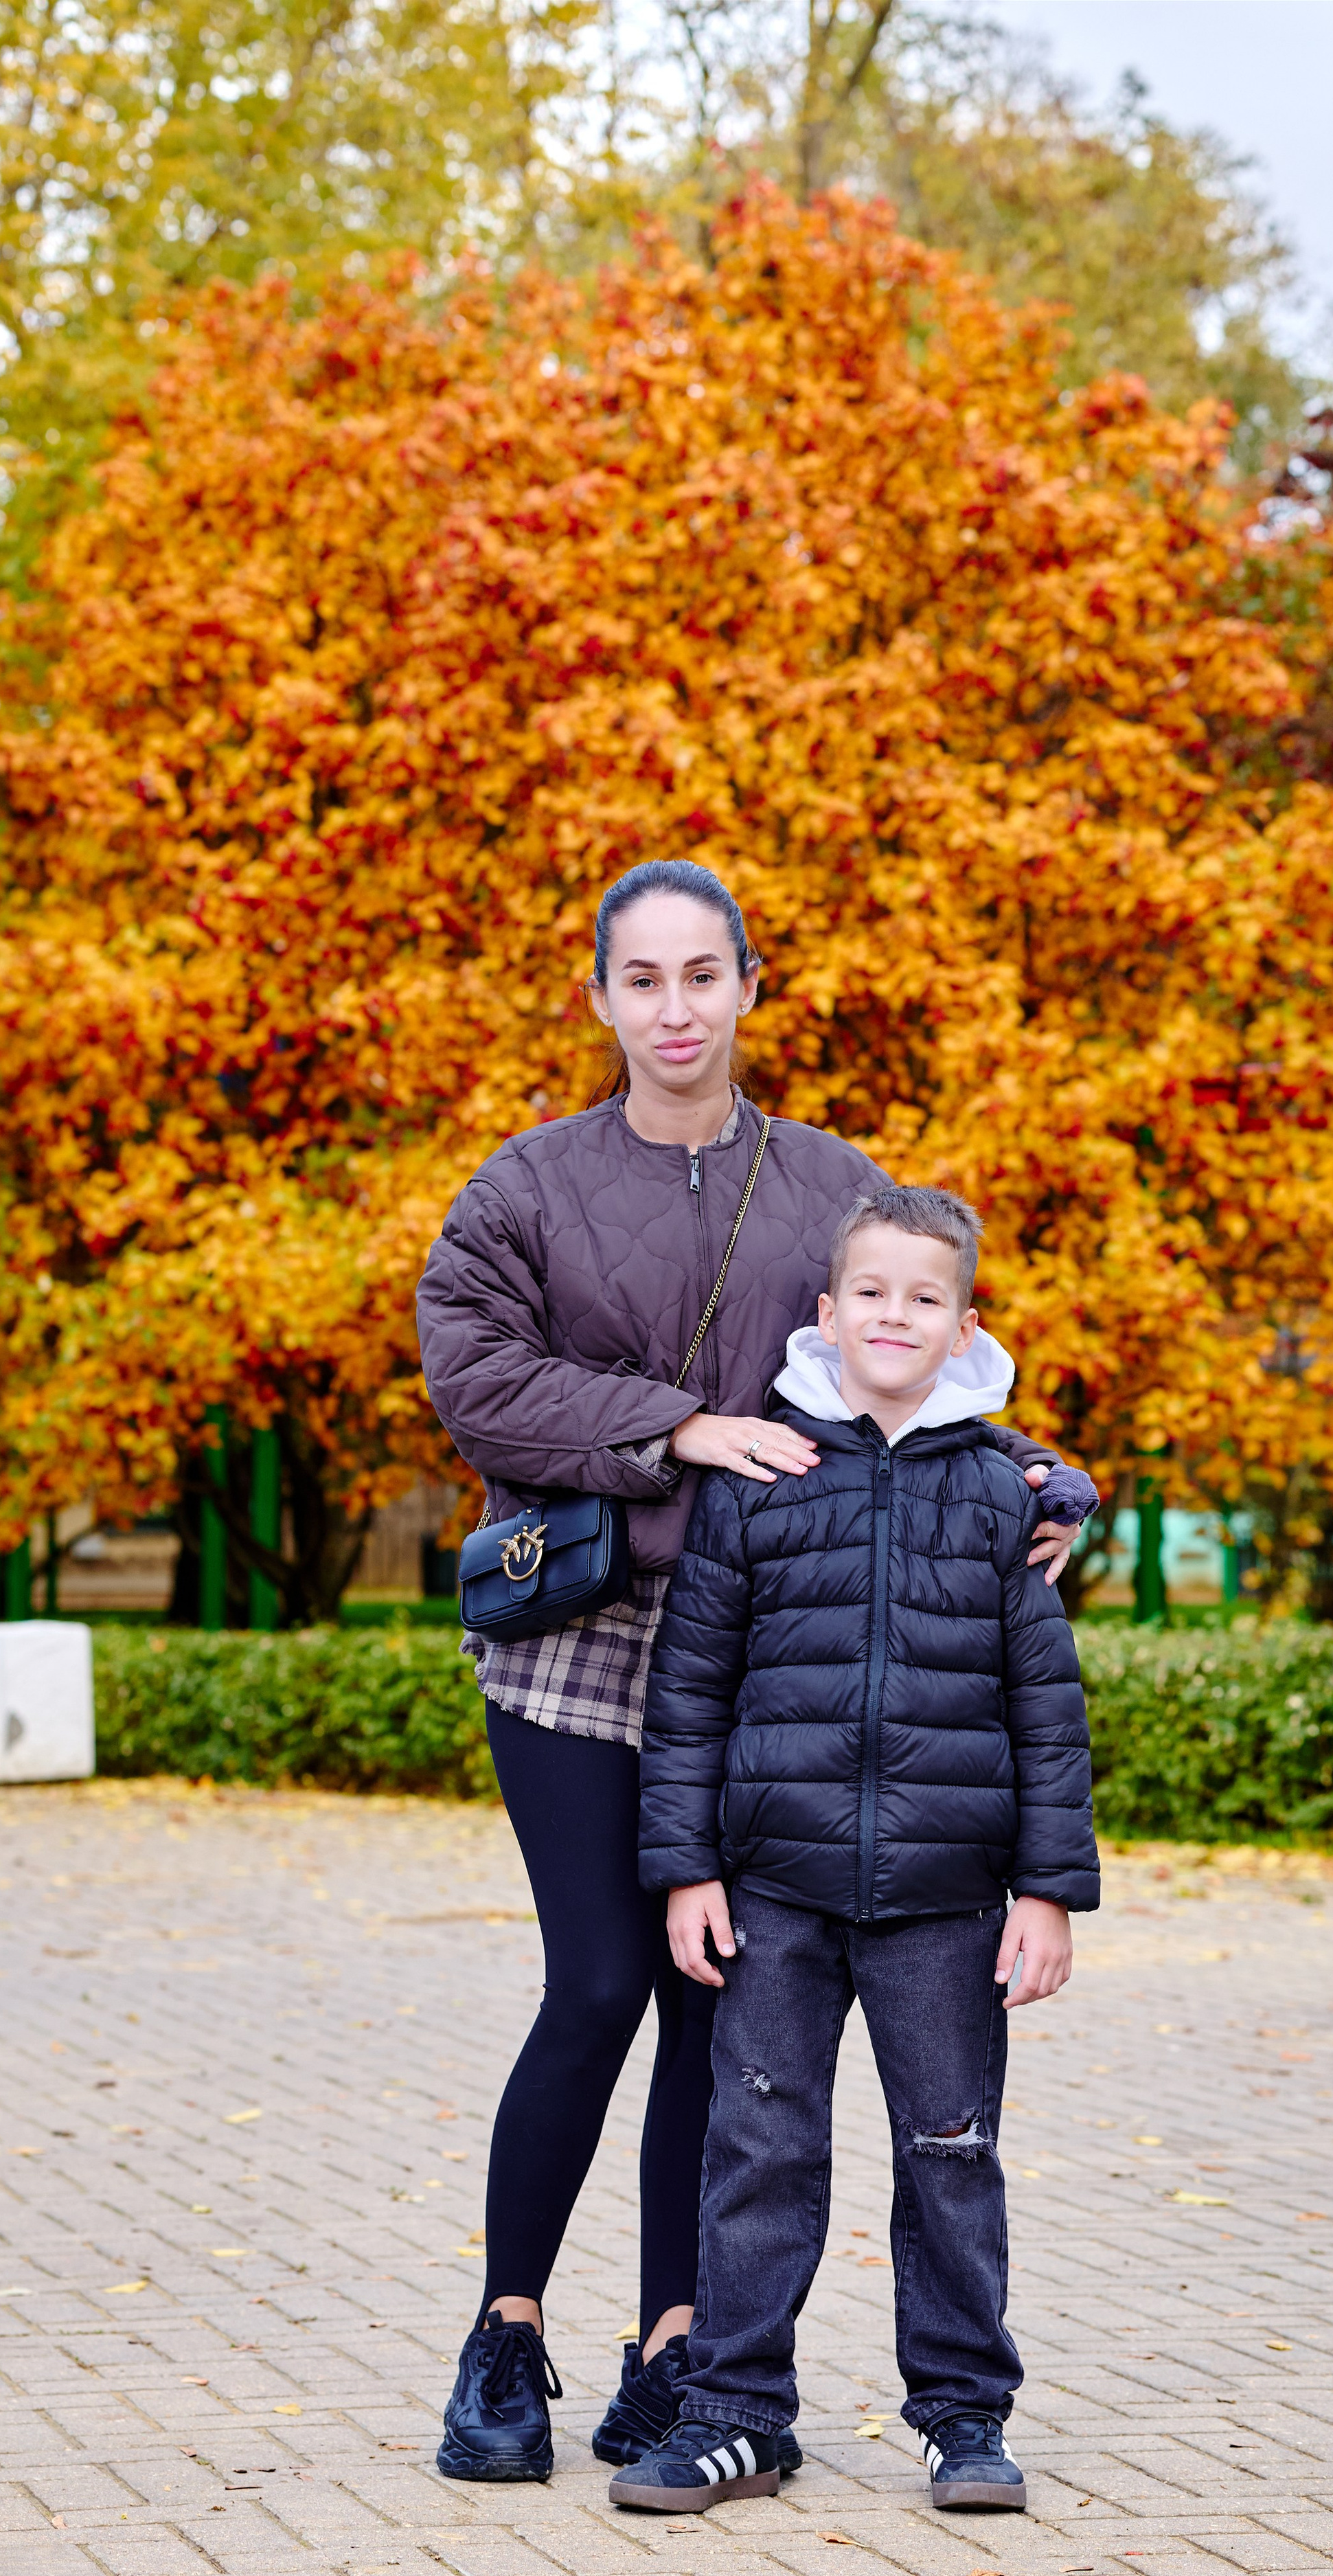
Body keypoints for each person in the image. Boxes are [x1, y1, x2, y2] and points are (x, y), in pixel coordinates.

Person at [414, 861, 1088, 2486]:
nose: (671, 1010)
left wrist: (1042, 1484)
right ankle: (506, 2335)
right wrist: (671, 1431)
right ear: (596, 998)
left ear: (747, 986)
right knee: (597, 1985)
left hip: (775, 1653)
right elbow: (472, 1373)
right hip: (584, 1644)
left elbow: (905, 1346)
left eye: (700, 976)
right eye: (638, 980)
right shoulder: (524, 1187)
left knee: (714, 2014)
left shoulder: (826, 1184)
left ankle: (677, 2347)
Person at [611, 1181, 1099, 2516]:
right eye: (870, 1293)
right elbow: (689, 1686)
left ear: (962, 1325)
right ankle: (734, 2413)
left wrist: (1049, 1890)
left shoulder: (1008, 1497)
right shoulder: (763, 1477)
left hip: (946, 1895)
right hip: (773, 1887)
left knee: (949, 2150)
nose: (895, 1315)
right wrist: (687, 1868)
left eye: (923, 1298)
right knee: (757, 2153)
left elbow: (1043, 1712)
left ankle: (960, 2416)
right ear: (826, 1314)